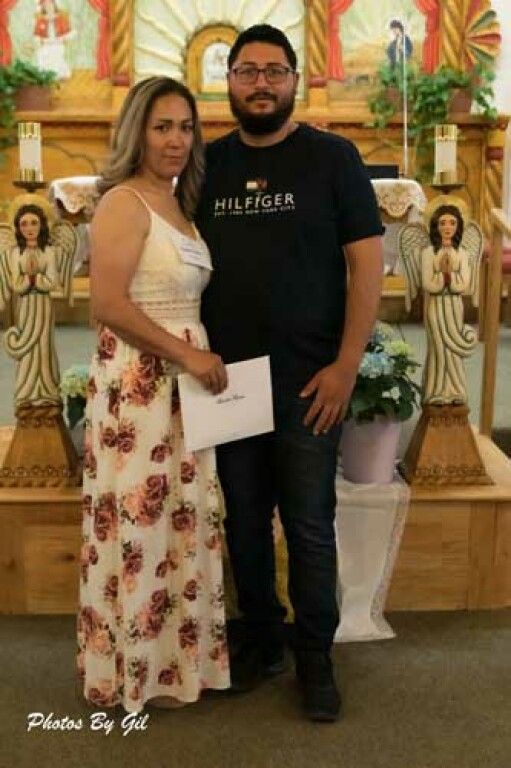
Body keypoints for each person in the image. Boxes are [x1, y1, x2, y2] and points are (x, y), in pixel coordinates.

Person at [196, 24, 384, 722]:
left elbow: (366, 263)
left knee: (307, 524)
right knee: (242, 520)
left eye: (273, 71)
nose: (260, 83)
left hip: (310, 379)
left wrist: (345, 364)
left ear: (294, 78)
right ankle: (261, 640)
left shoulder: (332, 158)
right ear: (229, 81)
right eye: (246, 71)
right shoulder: (204, 166)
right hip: (226, 378)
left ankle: (314, 657)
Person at [77, 77, 230, 712]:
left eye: (186, 127)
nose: (175, 140)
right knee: (139, 522)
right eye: (162, 126)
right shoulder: (122, 203)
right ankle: (130, 669)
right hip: (140, 389)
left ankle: (174, 666)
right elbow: (107, 304)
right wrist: (189, 353)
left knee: (182, 521)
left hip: (184, 389)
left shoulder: (179, 205)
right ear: (136, 130)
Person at [1, 203, 60, 412]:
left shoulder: (50, 252)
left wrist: (35, 279)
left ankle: (47, 391)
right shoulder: (15, 253)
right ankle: (26, 392)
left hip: (44, 306)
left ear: (42, 225)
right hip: (26, 305)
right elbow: (15, 284)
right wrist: (30, 279)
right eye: (24, 224)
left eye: (34, 223)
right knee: (28, 348)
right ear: (18, 228)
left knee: (44, 346)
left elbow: (53, 281)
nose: (29, 228)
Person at [420, 204, 476, 404]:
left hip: (454, 306)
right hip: (435, 307)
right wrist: (446, 276)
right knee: (438, 347)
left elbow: (464, 285)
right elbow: (427, 283)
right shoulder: (428, 253)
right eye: (442, 222)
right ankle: (435, 391)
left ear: (458, 226)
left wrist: (446, 276)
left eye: (452, 222)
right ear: (435, 226)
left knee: (452, 351)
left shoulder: (463, 254)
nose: (447, 227)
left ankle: (456, 391)